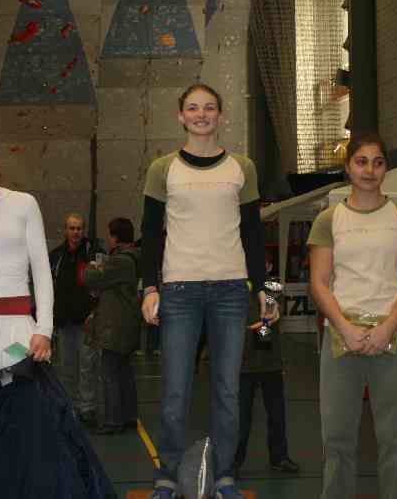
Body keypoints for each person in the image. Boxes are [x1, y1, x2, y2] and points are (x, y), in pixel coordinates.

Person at [0, 134, 116, 498]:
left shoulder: (24, 205)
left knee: (29, 427)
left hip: (17, 335)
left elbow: (42, 270)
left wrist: (44, 329)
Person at [140, 83, 279, 499]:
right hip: (179, 291)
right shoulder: (162, 169)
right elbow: (151, 235)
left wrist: (264, 290)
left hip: (231, 291)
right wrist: (150, 288)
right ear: (181, 116)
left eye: (209, 108)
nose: (201, 114)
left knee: (227, 391)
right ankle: (167, 476)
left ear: (220, 115)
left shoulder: (242, 168)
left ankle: (224, 476)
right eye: (193, 108)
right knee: (175, 391)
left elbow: (253, 235)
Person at [308, 133, 397, 499]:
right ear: (348, 167)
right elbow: (319, 283)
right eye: (361, 162)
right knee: (337, 440)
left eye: (378, 162)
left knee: (395, 440)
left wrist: (387, 327)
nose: (369, 170)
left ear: (386, 168)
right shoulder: (328, 219)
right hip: (341, 337)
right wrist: (345, 328)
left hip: (394, 335)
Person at [234, 253, 299, 476]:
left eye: (263, 265)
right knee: (241, 418)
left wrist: (264, 320)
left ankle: (280, 458)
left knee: (277, 415)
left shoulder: (273, 288)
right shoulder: (236, 287)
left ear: (269, 266)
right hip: (242, 365)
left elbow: (271, 314)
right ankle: (233, 461)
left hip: (271, 364)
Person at [84, 217, 142, 434]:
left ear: (115, 237)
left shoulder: (121, 261)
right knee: (124, 373)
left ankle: (113, 421)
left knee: (110, 374)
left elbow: (91, 278)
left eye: (109, 234)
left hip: (116, 327)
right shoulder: (134, 257)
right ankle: (128, 416)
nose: (108, 239)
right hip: (127, 324)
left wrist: (93, 265)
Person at [49, 212, 102, 426]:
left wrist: (96, 312)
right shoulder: (56, 256)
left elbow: (101, 285)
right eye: (72, 228)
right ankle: (69, 406)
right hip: (64, 321)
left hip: (87, 320)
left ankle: (87, 407)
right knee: (67, 367)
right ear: (65, 230)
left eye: (79, 228)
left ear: (83, 230)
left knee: (87, 366)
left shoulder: (94, 253)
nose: (76, 232)